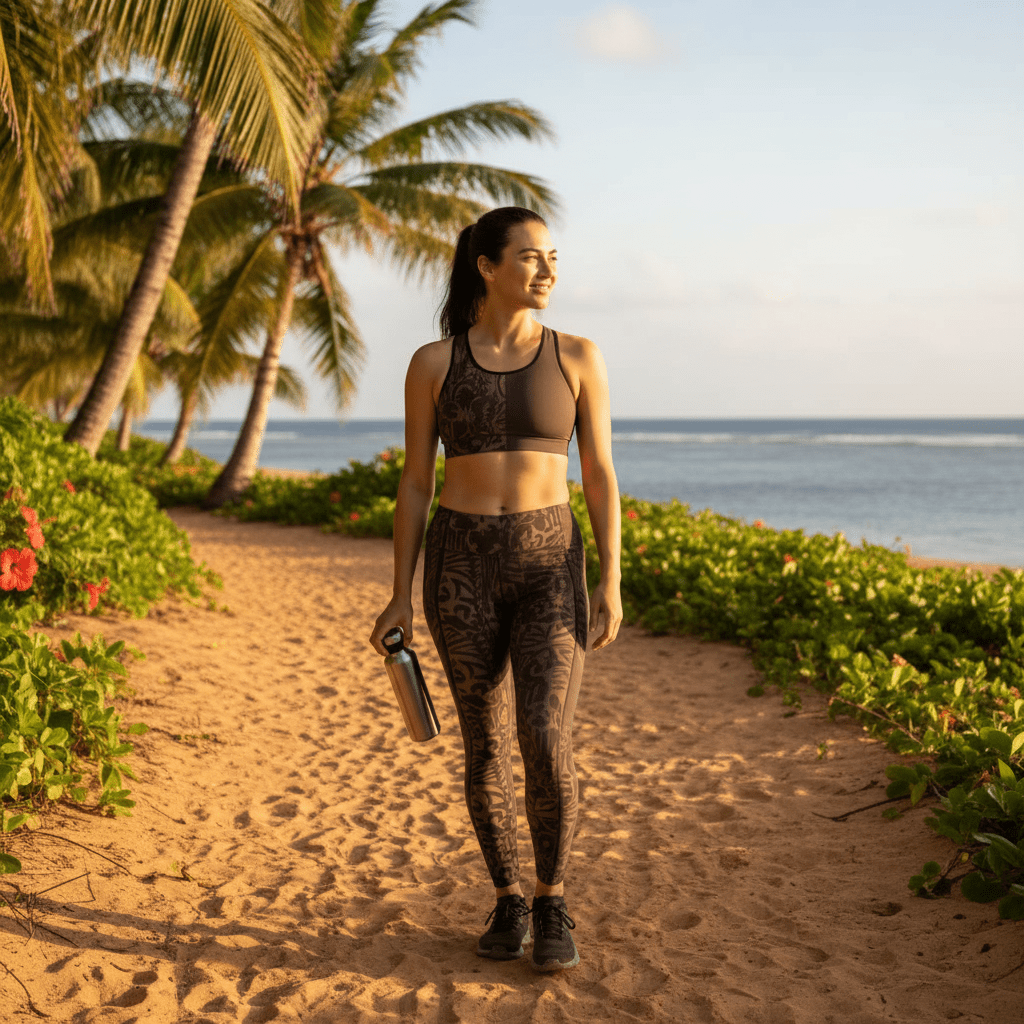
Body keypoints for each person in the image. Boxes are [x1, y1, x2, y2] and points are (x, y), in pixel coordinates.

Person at [369, 206, 622, 972]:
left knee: (543, 736)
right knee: (482, 745)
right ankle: (509, 896)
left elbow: (600, 473)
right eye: (531, 256)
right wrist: (399, 592)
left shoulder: (577, 356)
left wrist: (611, 577)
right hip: (460, 565)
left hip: (550, 565)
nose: (547, 270)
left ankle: (552, 899)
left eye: (553, 257)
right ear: (487, 266)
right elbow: (416, 482)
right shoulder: (434, 363)